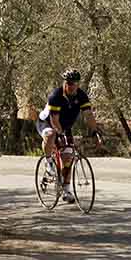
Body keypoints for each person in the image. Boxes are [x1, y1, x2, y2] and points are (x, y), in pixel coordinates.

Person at [37, 68, 102, 203]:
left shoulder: (81, 96)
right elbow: (54, 120)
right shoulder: (56, 96)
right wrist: (59, 134)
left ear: (78, 84)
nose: (71, 86)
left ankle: (66, 190)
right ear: (64, 83)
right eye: (69, 83)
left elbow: (88, 115)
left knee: (68, 157)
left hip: (65, 126)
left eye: (74, 83)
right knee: (51, 134)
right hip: (47, 123)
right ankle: (49, 162)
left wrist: (95, 132)